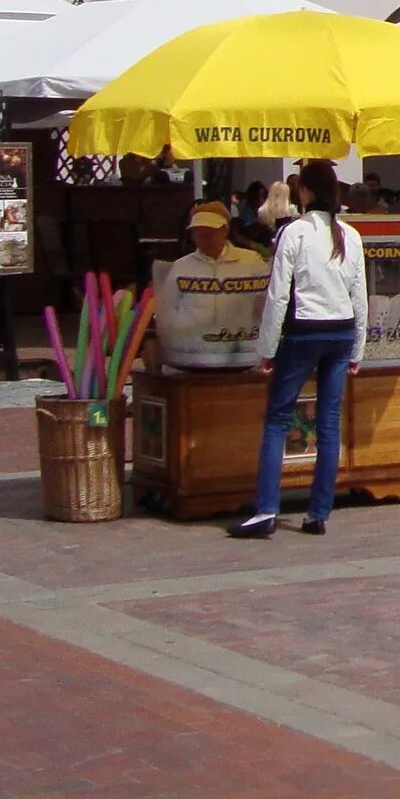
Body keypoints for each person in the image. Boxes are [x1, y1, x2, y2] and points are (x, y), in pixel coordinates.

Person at [230, 160, 367, 539]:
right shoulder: (349, 235)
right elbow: (361, 297)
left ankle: (266, 510)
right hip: (339, 333)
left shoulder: (294, 233)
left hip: (304, 331)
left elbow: (277, 296)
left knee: (277, 420)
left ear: (304, 191)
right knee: (328, 423)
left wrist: (267, 349)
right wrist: (358, 350)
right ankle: (318, 512)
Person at [153, 203, 268, 369]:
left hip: (241, 353)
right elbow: (168, 309)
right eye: (198, 235)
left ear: (225, 230)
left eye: (209, 234)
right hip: (191, 353)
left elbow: (264, 301)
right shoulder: (181, 267)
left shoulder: (252, 262)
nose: (203, 240)